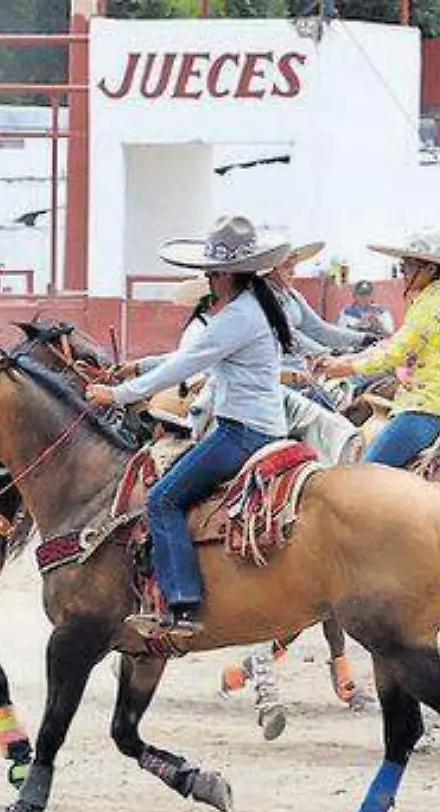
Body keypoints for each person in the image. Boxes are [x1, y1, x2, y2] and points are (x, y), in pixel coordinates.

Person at [85, 215, 292, 639]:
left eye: (212, 273)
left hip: (241, 432)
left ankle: (182, 603)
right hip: (262, 426)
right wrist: (137, 368)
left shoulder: (238, 315)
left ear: (228, 273)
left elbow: (189, 362)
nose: (209, 281)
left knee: (161, 499)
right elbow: (193, 355)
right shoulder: (255, 306)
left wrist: (120, 394)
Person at [316, 227, 440, 468]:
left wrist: (346, 368)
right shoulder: (437, 299)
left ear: (430, 269)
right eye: (402, 267)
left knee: (364, 475)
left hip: (426, 409)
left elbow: (395, 353)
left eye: (407, 268)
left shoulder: (428, 306)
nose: (402, 273)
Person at [269, 239, 369, 407]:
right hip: (285, 371)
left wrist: (363, 339)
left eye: (294, 266)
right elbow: (291, 335)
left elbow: (319, 329)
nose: (293, 272)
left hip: (306, 364)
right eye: (287, 266)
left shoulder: (292, 295)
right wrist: (330, 355)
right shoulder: (264, 299)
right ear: (270, 269)